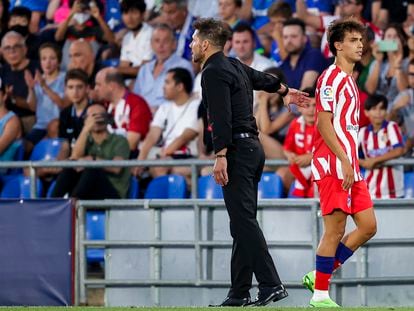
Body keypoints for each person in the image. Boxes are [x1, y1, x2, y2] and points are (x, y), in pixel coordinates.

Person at [190, 18, 310, 307]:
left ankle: (270, 284)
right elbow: (262, 78)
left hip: (236, 152)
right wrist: (284, 91)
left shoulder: (212, 72)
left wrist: (220, 155)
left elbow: (219, 115)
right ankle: (239, 292)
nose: (192, 45)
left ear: (205, 44)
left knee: (242, 220)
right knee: (241, 223)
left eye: (194, 40)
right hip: (253, 149)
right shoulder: (233, 65)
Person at [303, 18, 377, 307]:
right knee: (334, 230)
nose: (360, 45)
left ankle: (319, 274)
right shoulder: (330, 78)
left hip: (349, 166)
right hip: (334, 164)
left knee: (368, 226)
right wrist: (345, 160)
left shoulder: (348, 80)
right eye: (354, 40)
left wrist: (351, 163)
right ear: (338, 45)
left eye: (362, 40)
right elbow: (323, 124)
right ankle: (320, 295)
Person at [51, 103, 130, 199]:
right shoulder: (85, 140)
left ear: (107, 119)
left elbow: (116, 168)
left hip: (112, 193)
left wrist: (93, 160)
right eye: (92, 117)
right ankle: (52, 205)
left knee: (92, 170)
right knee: (69, 168)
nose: (96, 120)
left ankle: (71, 207)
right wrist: (85, 129)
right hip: (86, 192)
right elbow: (75, 158)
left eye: (100, 116)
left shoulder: (119, 140)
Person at [134, 67, 199, 179]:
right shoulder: (164, 107)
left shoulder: (196, 105)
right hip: (166, 155)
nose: (163, 87)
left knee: (160, 167)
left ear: (180, 87)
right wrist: (140, 160)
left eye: (167, 82)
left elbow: (186, 136)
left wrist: (162, 156)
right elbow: (152, 135)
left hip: (186, 154)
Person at [94, 67, 152, 158]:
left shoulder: (136, 104)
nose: (95, 89)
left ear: (111, 86)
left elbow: (131, 144)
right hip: (109, 155)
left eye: (98, 84)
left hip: (130, 158)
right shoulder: (104, 105)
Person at [24, 43, 67, 156]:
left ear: (58, 61)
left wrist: (44, 86)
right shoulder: (38, 79)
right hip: (41, 125)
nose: (47, 63)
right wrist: (31, 88)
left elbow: (62, 103)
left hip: (58, 125)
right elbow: (33, 107)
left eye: (52, 58)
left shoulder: (64, 78)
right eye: (44, 58)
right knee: (23, 147)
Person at [359, 94, 405, 198]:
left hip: (394, 192)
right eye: (374, 109)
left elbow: (399, 150)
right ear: (366, 112)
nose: (378, 112)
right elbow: (348, 154)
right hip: (371, 192)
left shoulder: (391, 127)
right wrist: (362, 162)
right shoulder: (363, 132)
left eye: (382, 108)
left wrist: (374, 161)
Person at [283, 87, 316, 198]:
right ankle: (287, 209)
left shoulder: (326, 125)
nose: (311, 110)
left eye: (315, 106)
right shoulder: (295, 124)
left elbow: (333, 149)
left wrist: (311, 157)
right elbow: (287, 148)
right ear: (299, 108)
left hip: (319, 167)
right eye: (307, 106)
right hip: (300, 167)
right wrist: (290, 156)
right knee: (284, 174)